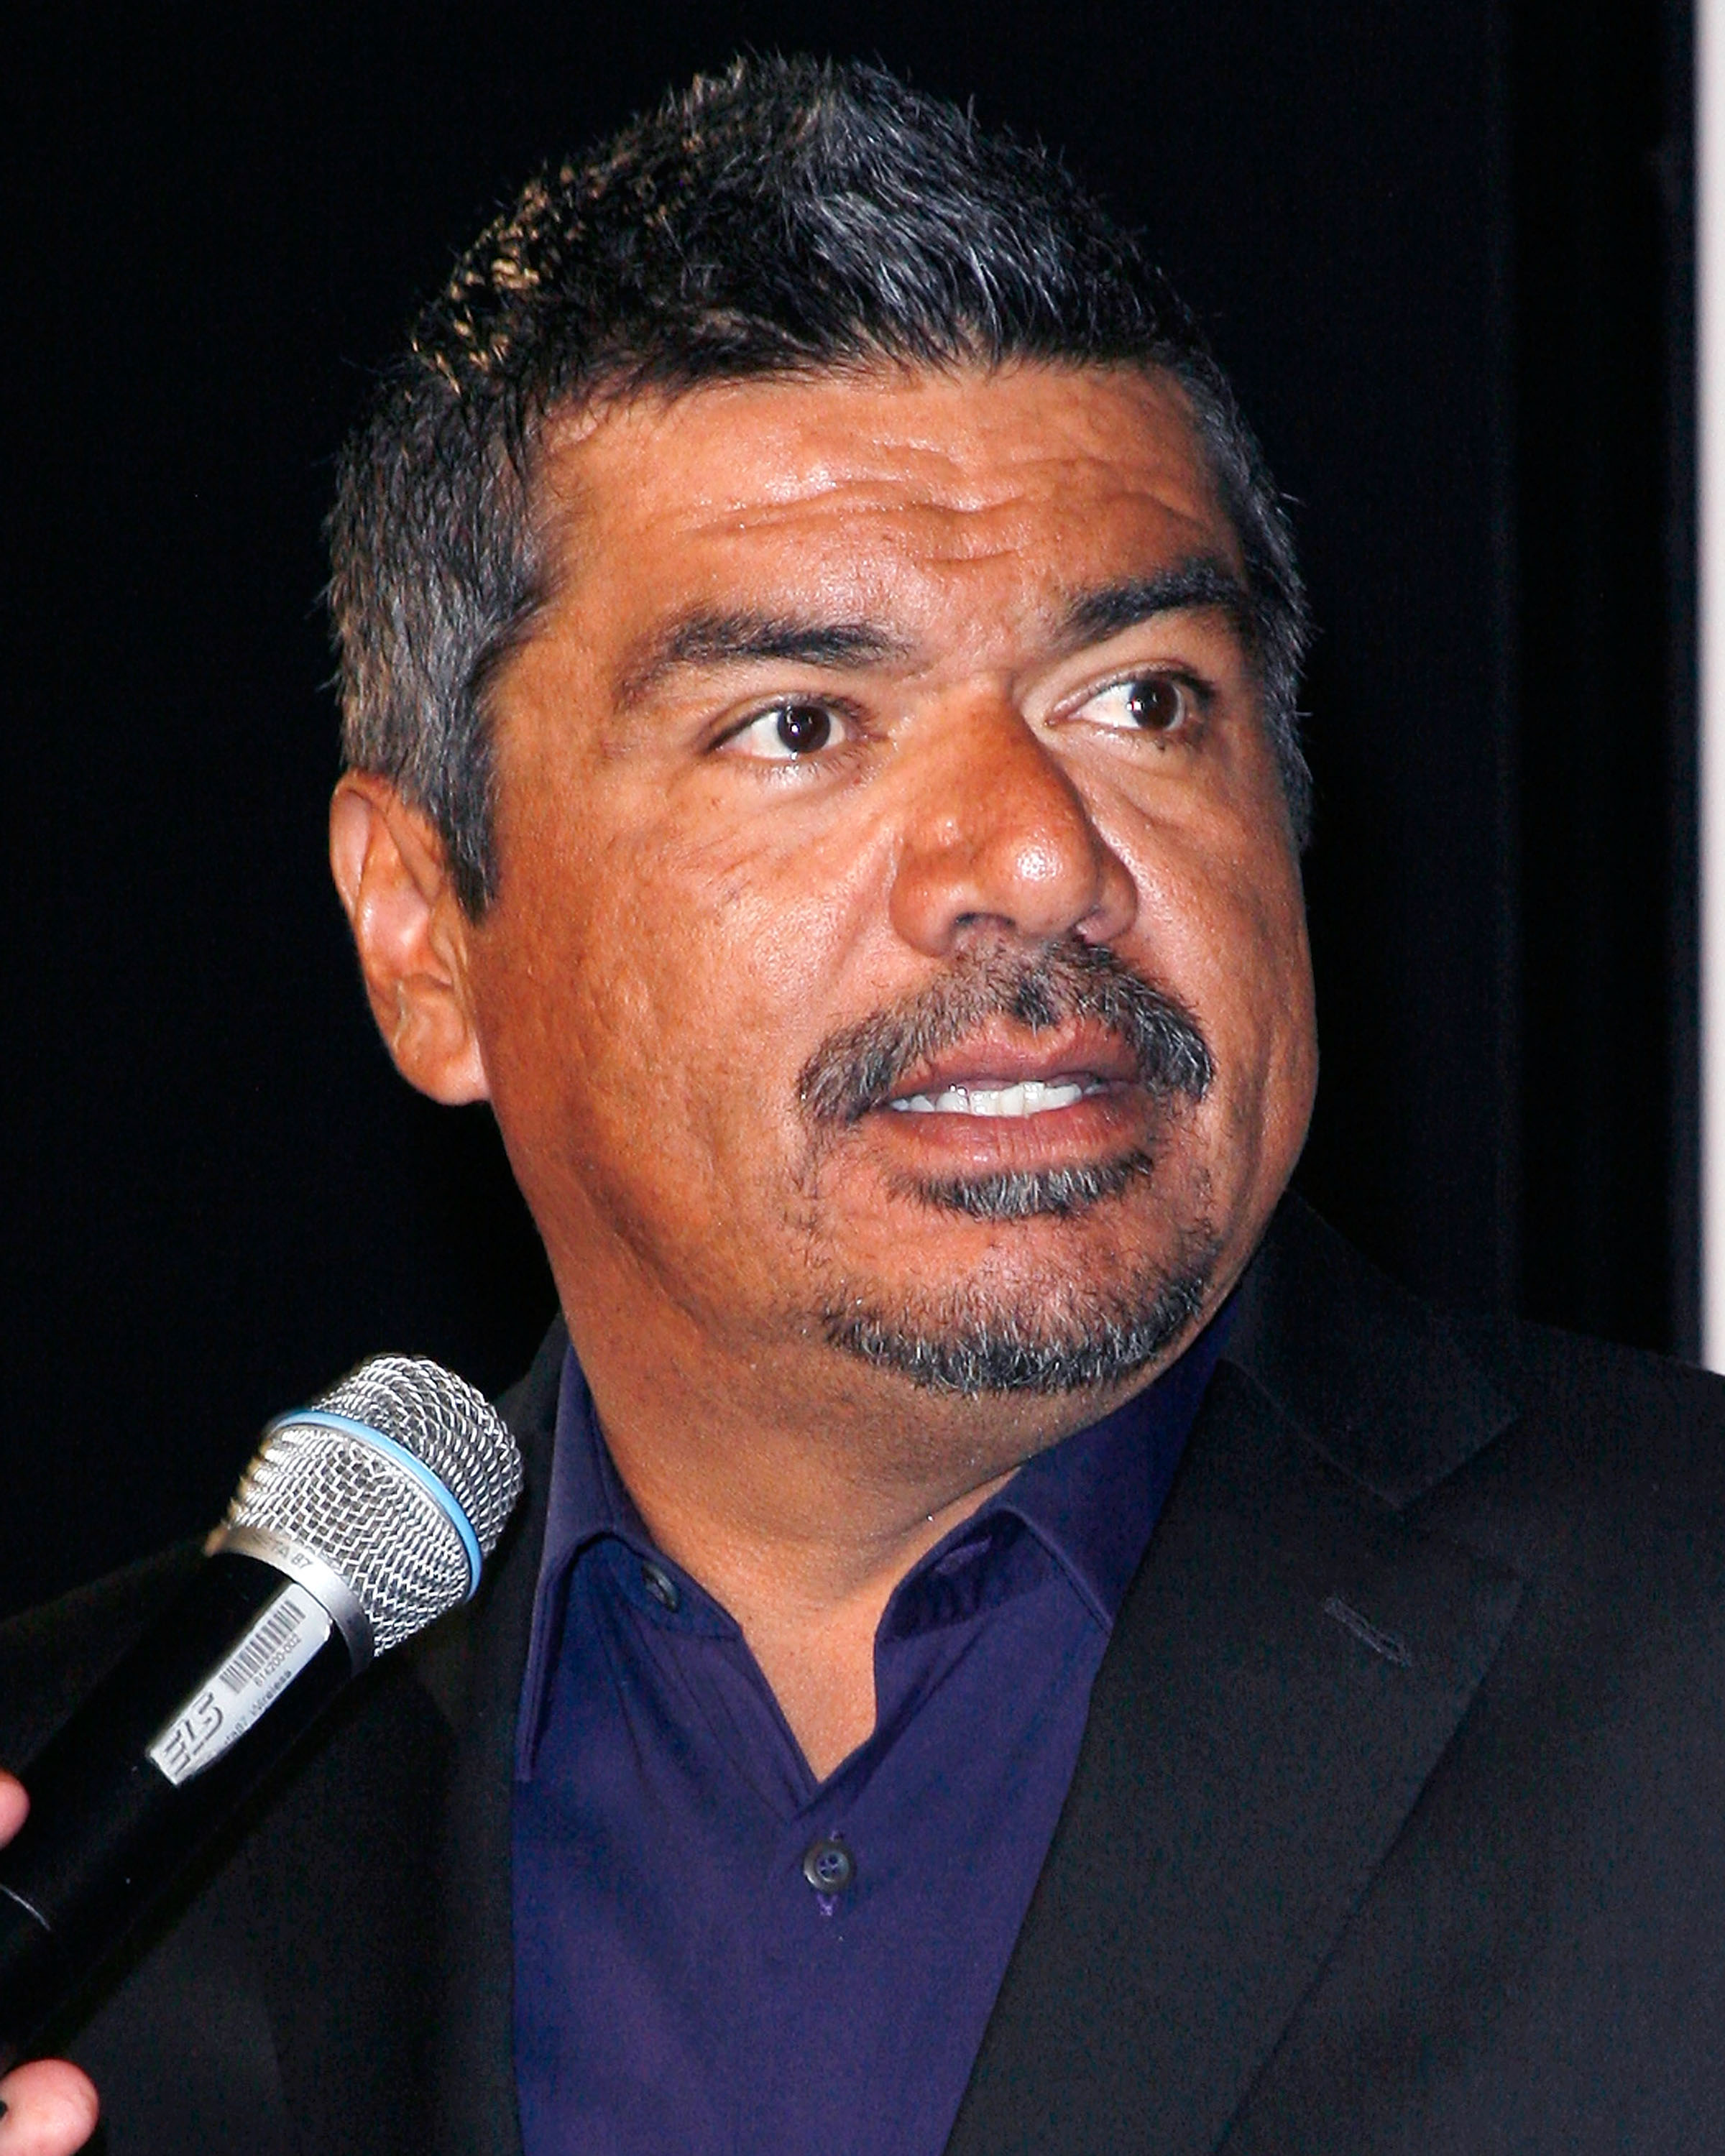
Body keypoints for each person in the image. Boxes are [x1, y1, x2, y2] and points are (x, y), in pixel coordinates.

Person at [4, 53, 1724, 2156]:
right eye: (800, 723)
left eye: (1140, 700)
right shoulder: (95, 1867)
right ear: (424, 936)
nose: (1035, 855)